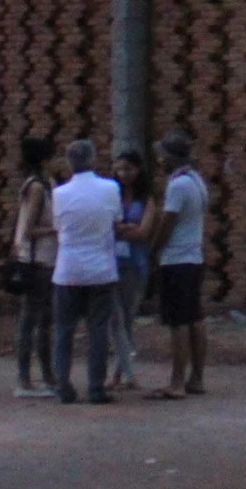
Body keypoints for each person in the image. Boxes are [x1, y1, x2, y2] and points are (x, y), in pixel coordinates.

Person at [49, 140, 122, 404]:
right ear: (93, 158)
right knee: (99, 330)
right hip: (101, 269)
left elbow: (59, 227)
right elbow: (116, 221)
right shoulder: (111, 188)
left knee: (64, 330)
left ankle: (63, 386)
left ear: (70, 162)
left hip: (68, 269)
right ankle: (96, 387)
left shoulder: (60, 194)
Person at [143, 131, 209, 398]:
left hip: (176, 259)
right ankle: (196, 378)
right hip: (194, 257)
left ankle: (177, 382)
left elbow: (167, 223)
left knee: (178, 322)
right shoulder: (197, 181)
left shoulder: (177, 186)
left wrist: (153, 251)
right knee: (195, 318)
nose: (159, 161)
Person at [10, 138, 60, 397]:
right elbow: (29, 229)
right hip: (38, 260)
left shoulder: (43, 185)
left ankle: (46, 376)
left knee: (43, 320)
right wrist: (57, 229)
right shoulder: (38, 188)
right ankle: (25, 379)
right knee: (32, 320)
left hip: (46, 259)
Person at [107, 149, 152, 391]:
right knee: (116, 320)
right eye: (120, 169)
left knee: (128, 318)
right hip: (112, 264)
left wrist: (122, 229)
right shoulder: (110, 195)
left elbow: (144, 231)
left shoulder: (146, 199)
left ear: (138, 169)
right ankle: (127, 372)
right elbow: (106, 228)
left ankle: (118, 372)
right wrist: (127, 229)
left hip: (135, 264)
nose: (124, 173)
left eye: (128, 168)